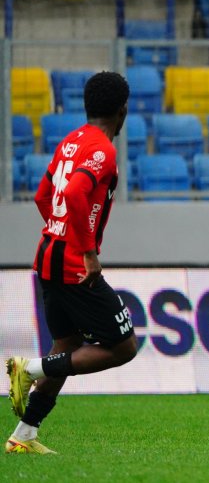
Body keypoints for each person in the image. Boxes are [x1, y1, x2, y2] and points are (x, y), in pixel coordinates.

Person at [6, 72, 138, 455]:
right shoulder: (103, 150)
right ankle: (27, 369)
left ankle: (24, 435)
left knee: (66, 346)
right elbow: (78, 191)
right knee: (123, 347)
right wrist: (87, 250)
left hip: (47, 255)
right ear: (122, 111)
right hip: (72, 266)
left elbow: (43, 194)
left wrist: (58, 227)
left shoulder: (70, 141)